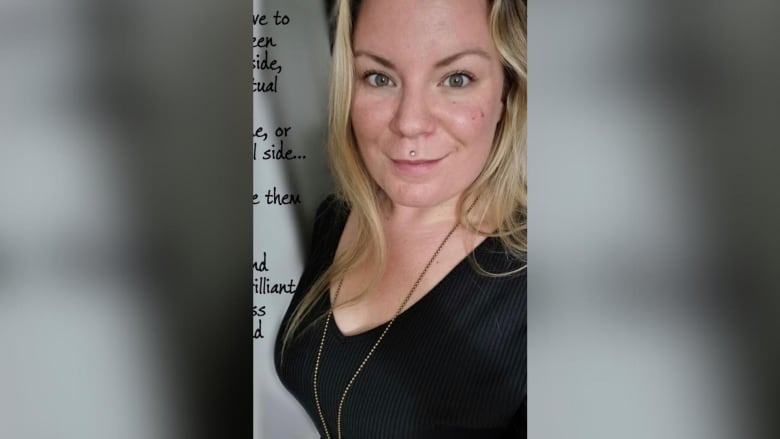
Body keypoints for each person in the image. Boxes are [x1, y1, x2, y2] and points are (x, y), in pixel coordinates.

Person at [275, 0, 526, 437]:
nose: (410, 123)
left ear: (506, 91)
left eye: (456, 78)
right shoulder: (337, 217)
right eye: (379, 77)